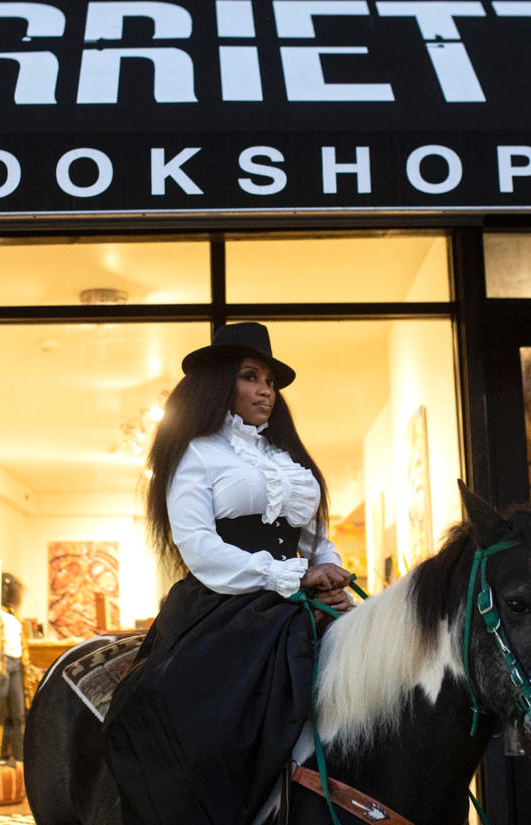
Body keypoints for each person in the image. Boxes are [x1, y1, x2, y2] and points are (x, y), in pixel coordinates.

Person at [104, 321, 352, 825]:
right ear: (220, 383)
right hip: (225, 602)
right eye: (251, 377)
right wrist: (289, 577)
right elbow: (199, 547)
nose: (266, 390)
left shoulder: (285, 458)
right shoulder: (197, 453)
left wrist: (328, 565)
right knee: (197, 719)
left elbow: (314, 535)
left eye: (271, 382)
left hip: (299, 594)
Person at [0, 571, 26, 764]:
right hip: (4, 663)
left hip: (16, 663)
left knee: (18, 712)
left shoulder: (12, 614)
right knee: (1, 710)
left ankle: (20, 756)